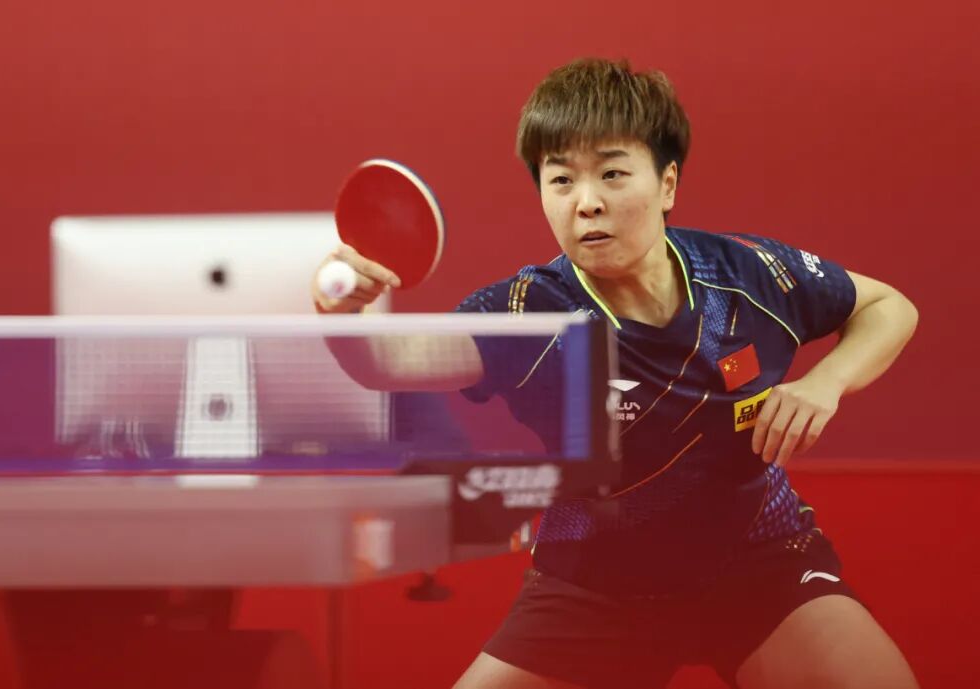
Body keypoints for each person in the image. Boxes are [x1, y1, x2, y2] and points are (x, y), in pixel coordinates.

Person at [312, 58, 920, 689]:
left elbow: (889, 307)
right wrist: (341, 311)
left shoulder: (746, 275)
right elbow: (389, 363)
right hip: (594, 590)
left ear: (667, 184)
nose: (587, 203)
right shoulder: (530, 312)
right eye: (561, 180)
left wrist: (825, 382)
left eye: (612, 173)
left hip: (759, 564)